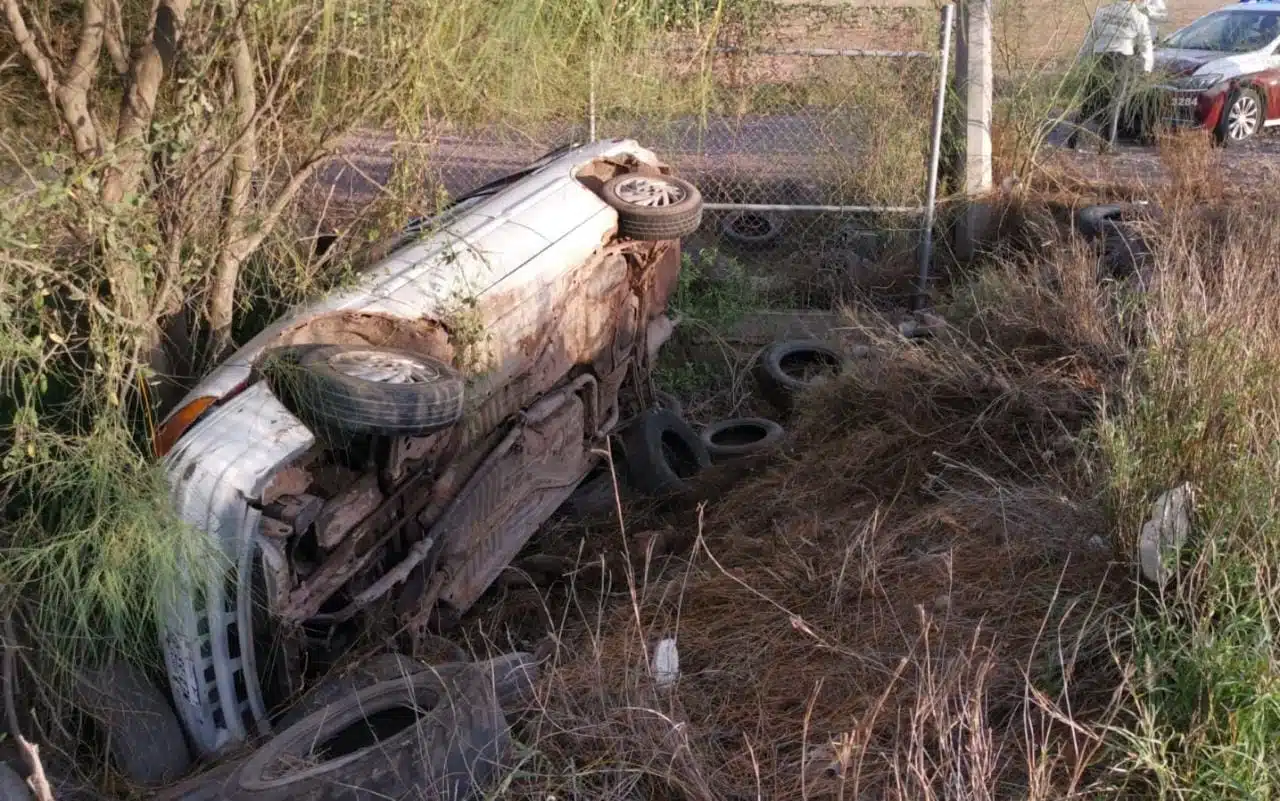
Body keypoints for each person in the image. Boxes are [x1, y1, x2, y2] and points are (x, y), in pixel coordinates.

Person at [1070, 0, 1155, 152]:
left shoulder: (1101, 13)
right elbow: (1146, 45)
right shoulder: (1137, 16)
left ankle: (1073, 138)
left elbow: (1089, 39)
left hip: (1099, 60)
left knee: (1089, 101)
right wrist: (1147, 67)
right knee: (1114, 104)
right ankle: (1107, 146)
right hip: (1121, 62)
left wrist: (1080, 62)